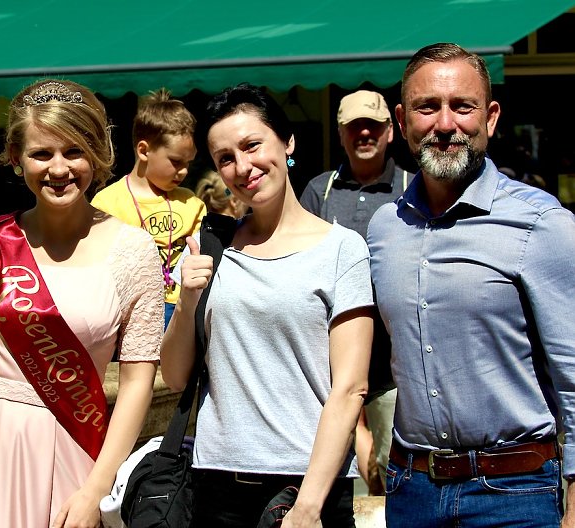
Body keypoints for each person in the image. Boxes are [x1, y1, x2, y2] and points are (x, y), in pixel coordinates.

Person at [0, 79, 164, 528]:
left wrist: (97, 488)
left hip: (75, 449)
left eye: (74, 151)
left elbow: (138, 382)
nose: (59, 168)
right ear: (16, 159)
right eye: (41, 154)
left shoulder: (133, 250)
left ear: (97, 155)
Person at [368, 42, 575, 528]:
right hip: (411, 488)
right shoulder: (384, 228)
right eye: (427, 107)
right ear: (402, 121)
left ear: (491, 116)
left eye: (462, 106)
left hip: (515, 493)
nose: (445, 125)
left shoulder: (541, 224)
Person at [161, 83, 374, 528]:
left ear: (287, 141)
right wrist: (186, 301)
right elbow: (176, 375)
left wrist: (309, 507)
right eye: (225, 158)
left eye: (252, 145)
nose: (242, 167)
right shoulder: (209, 247)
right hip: (216, 484)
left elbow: (350, 387)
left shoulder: (342, 249)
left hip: (306, 486)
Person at [300, 89, 407, 495]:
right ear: (342, 134)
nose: (365, 134)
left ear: (390, 132)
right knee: (335, 471)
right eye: (354, 127)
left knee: (392, 469)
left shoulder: (412, 187)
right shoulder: (319, 190)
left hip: (392, 363)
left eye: (373, 126)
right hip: (326, 361)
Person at [91, 88, 206, 327]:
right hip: (129, 310)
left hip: (182, 308)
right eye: (175, 161)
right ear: (144, 151)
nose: (183, 171)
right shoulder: (106, 203)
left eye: (188, 163)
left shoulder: (192, 204)